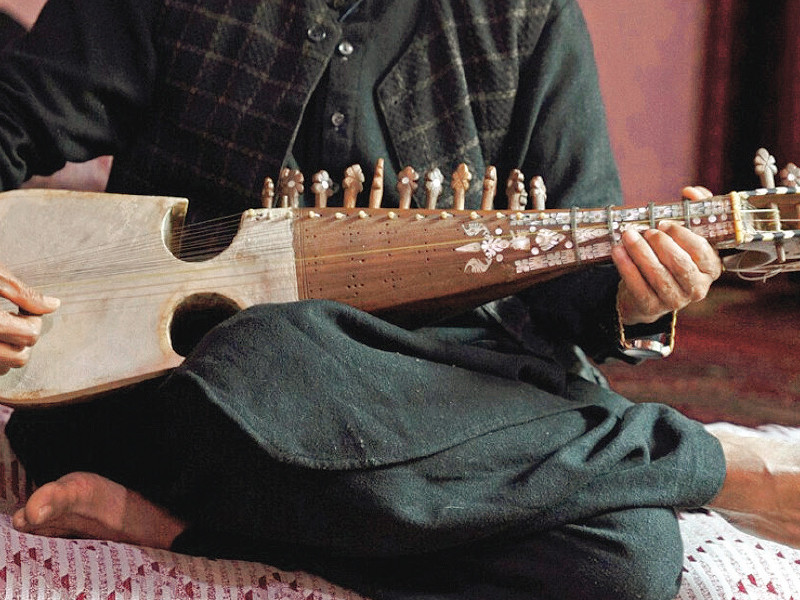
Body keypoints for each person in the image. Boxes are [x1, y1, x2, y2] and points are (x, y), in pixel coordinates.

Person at [0, 1, 795, 599]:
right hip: (183, 387)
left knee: (623, 563)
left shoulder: (527, 14)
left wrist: (637, 290)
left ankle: (176, 531)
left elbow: (572, 273)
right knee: (267, 354)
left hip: (434, 395)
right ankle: (715, 464)